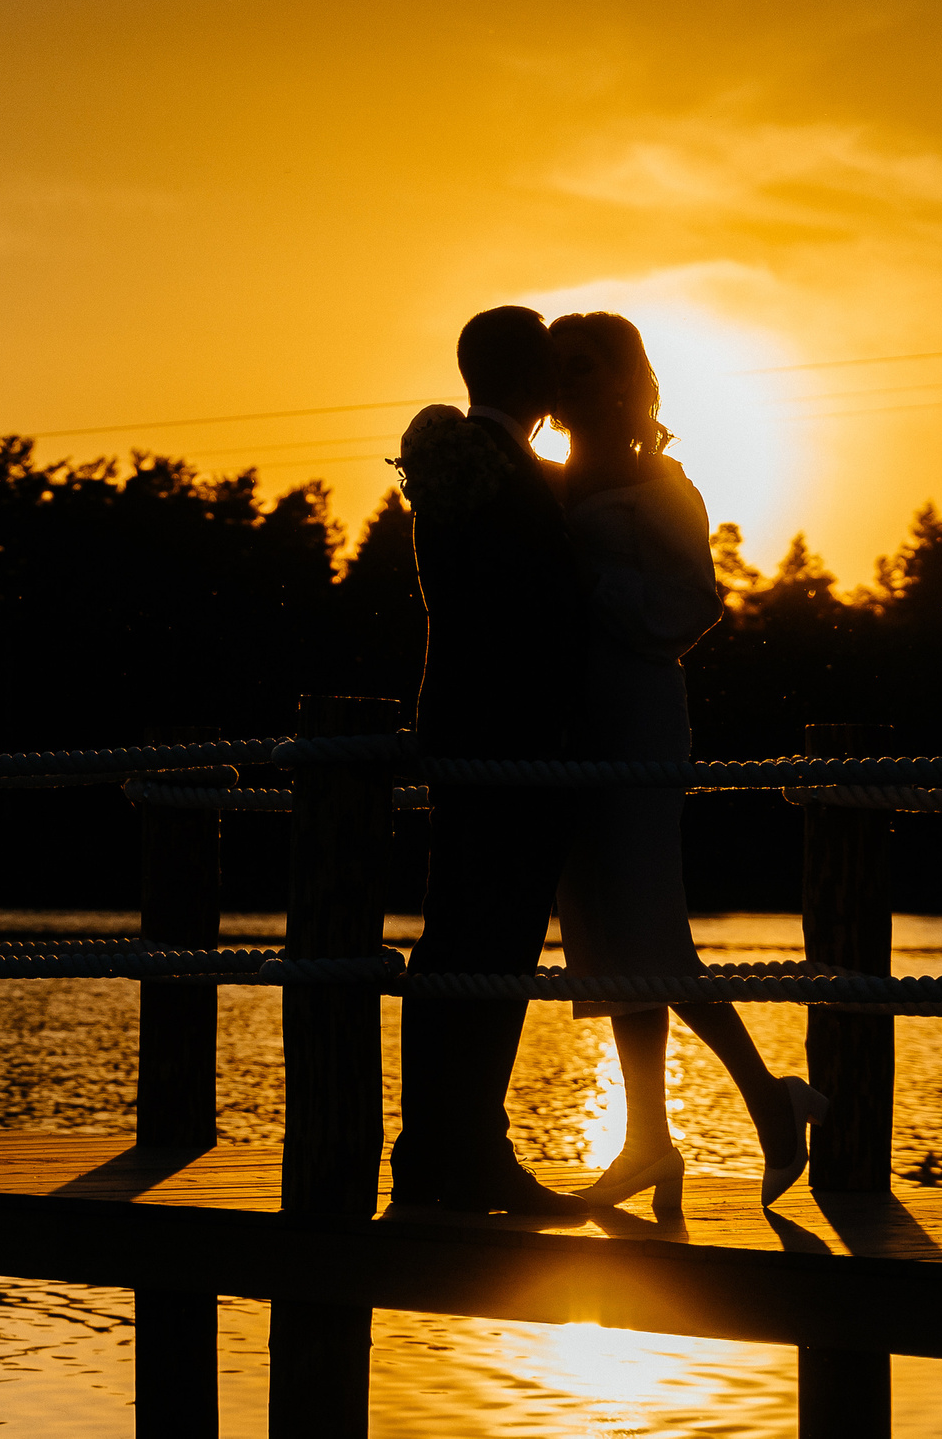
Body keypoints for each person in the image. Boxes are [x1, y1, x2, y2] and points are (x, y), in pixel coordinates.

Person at [540, 310, 824, 1215]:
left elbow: (693, 603)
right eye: (557, 369)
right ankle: (650, 1141)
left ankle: (770, 1101)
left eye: (582, 367)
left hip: (635, 715)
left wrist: (588, 586)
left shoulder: (660, 482)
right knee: (607, 935)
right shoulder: (550, 480)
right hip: (573, 723)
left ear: (623, 379)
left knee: (654, 936)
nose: (568, 381)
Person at [387, 305, 595, 1216]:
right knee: (496, 945)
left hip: (459, 725)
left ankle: (434, 1147)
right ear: (534, 379)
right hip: (516, 739)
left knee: (452, 941)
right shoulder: (517, 482)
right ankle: (470, 1149)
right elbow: (543, 620)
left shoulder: (458, 467)